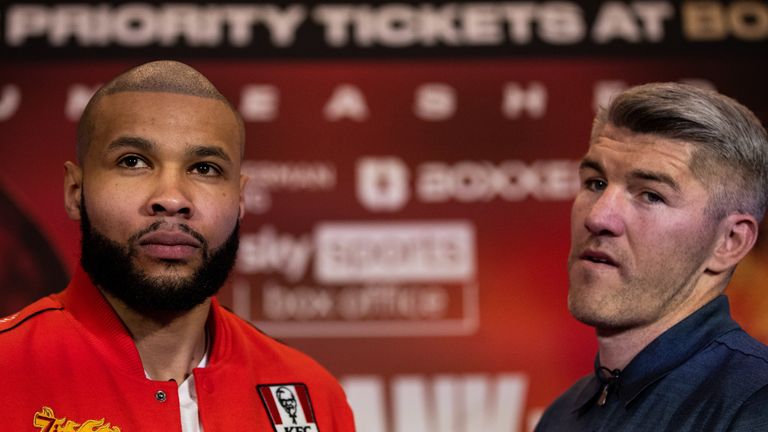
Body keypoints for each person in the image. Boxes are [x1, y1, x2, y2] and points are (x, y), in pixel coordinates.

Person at [0, 61, 355, 431]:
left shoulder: (313, 394)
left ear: (240, 200)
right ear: (76, 192)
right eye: (133, 161)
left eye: (205, 168)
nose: (172, 198)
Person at [536, 83, 768, 431]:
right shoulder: (562, 416)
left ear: (729, 242)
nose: (598, 217)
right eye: (595, 183)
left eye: (650, 195)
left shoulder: (755, 405)